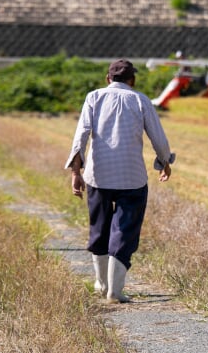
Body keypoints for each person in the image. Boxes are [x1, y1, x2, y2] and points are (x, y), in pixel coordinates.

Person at [64, 59, 175, 303]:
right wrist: (165, 161)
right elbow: (158, 135)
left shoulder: (93, 97)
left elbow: (81, 135)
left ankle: (101, 284)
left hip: (98, 176)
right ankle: (115, 291)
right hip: (132, 178)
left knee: (99, 228)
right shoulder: (140, 100)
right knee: (124, 230)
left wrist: (76, 173)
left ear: (107, 79)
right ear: (132, 80)